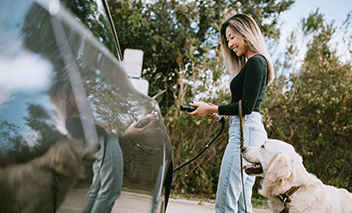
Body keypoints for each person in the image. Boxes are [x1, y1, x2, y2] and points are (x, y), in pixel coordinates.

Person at [188, 13, 274, 213]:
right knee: (241, 204)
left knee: (226, 201)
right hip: (249, 130)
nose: (230, 44)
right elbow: (242, 106)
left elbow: (247, 107)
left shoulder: (256, 62)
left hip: (246, 134)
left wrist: (212, 108)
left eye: (232, 37)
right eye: (227, 40)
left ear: (245, 34)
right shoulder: (253, 63)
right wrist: (217, 113)